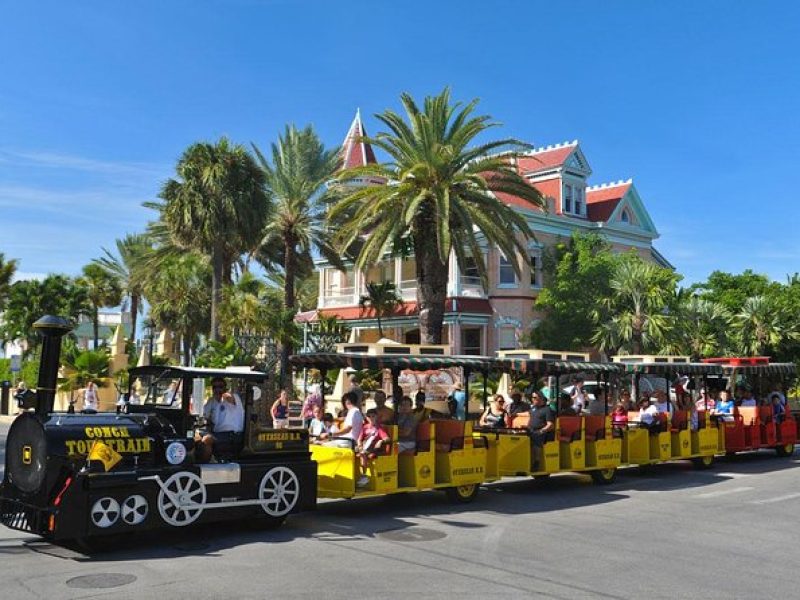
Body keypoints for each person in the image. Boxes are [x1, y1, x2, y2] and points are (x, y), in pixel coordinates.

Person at [200, 378, 244, 461]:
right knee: (197, 438)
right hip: (218, 433)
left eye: (220, 386)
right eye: (214, 387)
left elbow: (229, 397)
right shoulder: (212, 400)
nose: (217, 389)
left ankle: (207, 465)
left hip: (232, 435)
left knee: (207, 440)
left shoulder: (234, 397)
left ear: (225, 387)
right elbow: (203, 414)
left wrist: (222, 395)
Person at [355, 408, 390, 487]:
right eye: (369, 416)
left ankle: (364, 476)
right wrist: (360, 446)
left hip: (374, 449)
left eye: (373, 416)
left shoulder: (379, 428)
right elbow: (359, 439)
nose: (371, 418)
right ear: (367, 418)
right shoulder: (364, 427)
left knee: (362, 454)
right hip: (364, 447)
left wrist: (380, 441)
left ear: (376, 417)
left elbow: (387, 438)